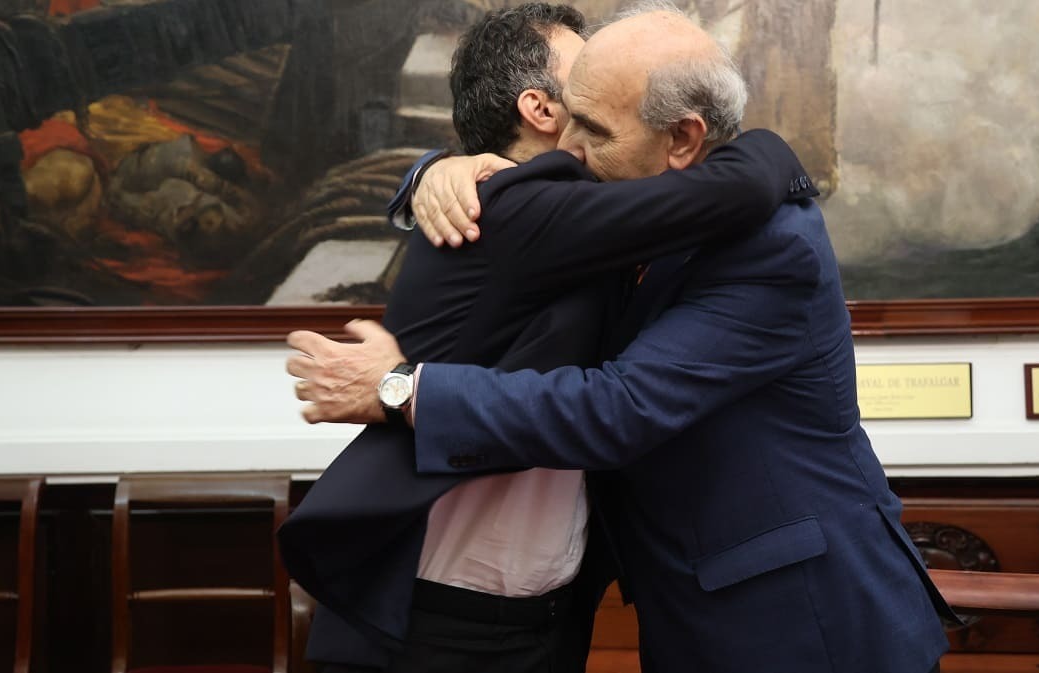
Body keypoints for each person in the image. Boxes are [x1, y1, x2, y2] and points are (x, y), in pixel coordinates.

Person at [297, 5, 956, 673]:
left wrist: (403, 389)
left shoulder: (768, 246)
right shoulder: (601, 213)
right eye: (566, 114)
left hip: (804, 623)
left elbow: (620, 408)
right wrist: (436, 170)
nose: (570, 145)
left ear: (683, 139)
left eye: (592, 127)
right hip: (464, 611)